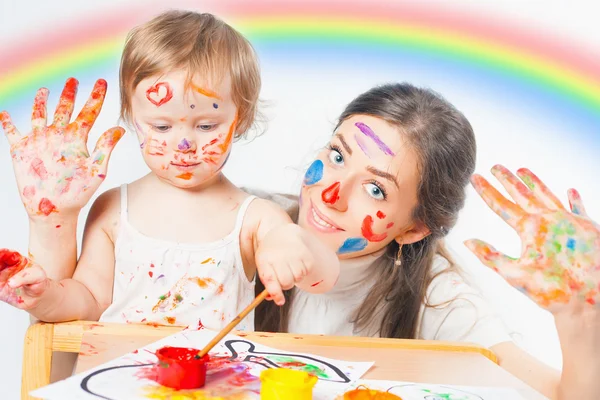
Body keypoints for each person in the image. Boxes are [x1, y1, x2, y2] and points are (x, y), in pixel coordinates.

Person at [252, 83, 600, 399]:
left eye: (376, 190)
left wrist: (579, 317)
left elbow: (565, 395)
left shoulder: (437, 296)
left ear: (414, 229)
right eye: (338, 156)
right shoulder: (243, 220)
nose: (331, 194)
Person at [0, 10, 339, 331]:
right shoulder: (115, 209)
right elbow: (89, 301)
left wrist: (291, 244)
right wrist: (44, 296)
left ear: (242, 118)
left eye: (206, 126)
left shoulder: (257, 219)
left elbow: (323, 278)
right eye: (161, 127)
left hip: (213, 389)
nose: (184, 145)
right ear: (132, 115)